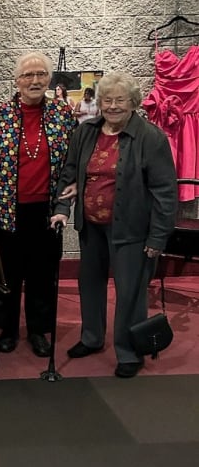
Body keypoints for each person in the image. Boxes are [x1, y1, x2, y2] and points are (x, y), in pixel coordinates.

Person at [51, 72, 178, 378]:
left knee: (130, 291)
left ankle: (129, 350)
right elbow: (70, 173)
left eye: (120, 100)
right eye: (107, 100)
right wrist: (62, 207)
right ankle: (92, 338)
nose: (112, 106)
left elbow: (165, 193)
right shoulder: (87, 132)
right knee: (89, 284)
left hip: (132, 231)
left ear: (133, 103)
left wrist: (158, 238)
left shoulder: (150, 137)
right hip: (90, 227)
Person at [0, 51, 77, 357]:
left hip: (46, 211)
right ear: (16, 81)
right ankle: (6, 329)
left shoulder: (63, 115)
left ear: (48, 79)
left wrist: (68, 196)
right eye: (28, 75)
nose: (34, 81)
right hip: (7, 209)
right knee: (9, 274)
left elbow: (72, 161)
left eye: (40, 75)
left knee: (42, 274)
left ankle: (37, 331)